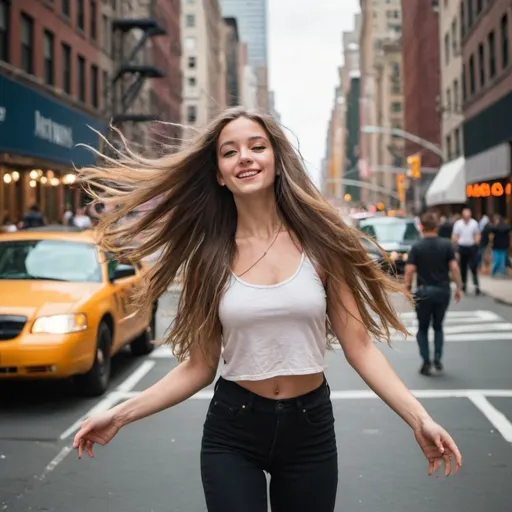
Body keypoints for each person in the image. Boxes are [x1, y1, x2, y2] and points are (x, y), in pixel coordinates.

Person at [73, 108, 462, 511]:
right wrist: (119, 415)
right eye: (230, 152)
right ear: (220, 174)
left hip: (310, 429)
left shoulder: (323, 244)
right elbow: (199, 367)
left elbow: (360, 346)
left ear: (276, 163)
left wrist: (420, 418)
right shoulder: (208, 258)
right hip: (233, 429)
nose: (245, 156)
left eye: (257, 147)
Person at [404, 212, 463, 376]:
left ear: (421, 227)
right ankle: (437, 356)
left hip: (423, 292)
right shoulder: (446, 245)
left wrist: (407, 289)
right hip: (443, 291)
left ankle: (426, 361)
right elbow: (454, 268)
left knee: (422, 329)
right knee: (438, 326)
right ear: (436, 227)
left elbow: (409, 271)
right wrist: (458, 288)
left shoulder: (416, 247)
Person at [452, 207, 480, 294]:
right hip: (462, 247)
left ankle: (476, 285)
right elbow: (454, 235)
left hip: (471, 246)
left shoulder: (474, 223)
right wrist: (455, 243)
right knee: (463, 267)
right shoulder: (458, 224)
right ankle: (464, 284)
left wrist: (476, 242)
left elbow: (477, 234)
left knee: (473, 266)